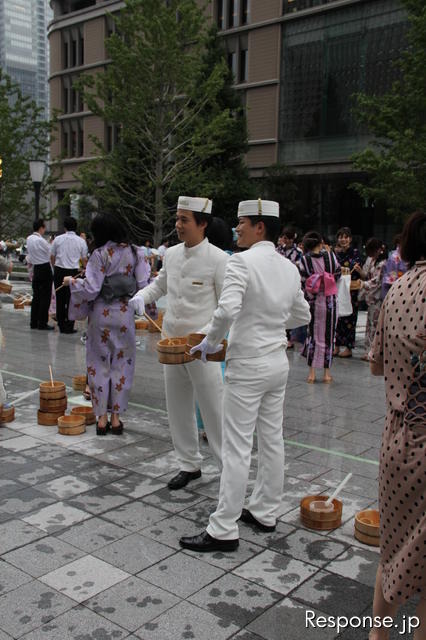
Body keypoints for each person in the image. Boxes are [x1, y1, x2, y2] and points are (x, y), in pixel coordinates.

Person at [179, 199, 311, 552]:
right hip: (276, 363)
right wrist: (270, 322)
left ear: (259, 227)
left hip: (248, 365)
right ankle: (265, 512)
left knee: (237, 446)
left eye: (241, 222)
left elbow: (227, 309)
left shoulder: (241, 262)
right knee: (272, 439)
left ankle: (223, 528)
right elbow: (302, 315)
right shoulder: (287, 267)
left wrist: (208, 343)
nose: (236, 228)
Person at [129, 196, 228, 490]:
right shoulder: (171, 254)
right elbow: (160, 285)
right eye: (177, 218)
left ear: (202, 223)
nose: (178, 225)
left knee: (214, 409)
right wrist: (141, 297)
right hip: (171, 343)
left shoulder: (219, 259)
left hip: (203, 347)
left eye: (184, 220)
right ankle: (189, 464)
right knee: (177, 406)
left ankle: (228, 470)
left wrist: (209, 337)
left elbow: (226, 306)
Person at [368, 210, 426, 640]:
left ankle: (377, 635)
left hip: (396, 437)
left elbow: (375, 366)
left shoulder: (398, 288)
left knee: (391, 548)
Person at [64, 214, 150, 435]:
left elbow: (92, 289)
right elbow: (144, 285)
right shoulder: (136, 252)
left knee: (98, 365)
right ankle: (116, 418)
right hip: (125, 315)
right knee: (122, 365)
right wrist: (149, 310)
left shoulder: (100, 254)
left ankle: (101, 419)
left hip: (101, 315)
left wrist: (73, 282)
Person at [298, 231, 340, 384]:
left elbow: (303, 283)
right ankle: (327, 373)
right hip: (330, 301)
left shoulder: (304, 260)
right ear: (320, 242)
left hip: (313, 301)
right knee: (329, 336)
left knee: (313, 335)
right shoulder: (330, 256)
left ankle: (312, 373)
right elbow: (338, 273)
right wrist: (326, 279)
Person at [51, 216, 88, 334]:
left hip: (60, 271)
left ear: (65, 227)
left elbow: (52, 256)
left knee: (60, 298)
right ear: (76, 227)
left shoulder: (57, 239)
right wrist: (85, 268)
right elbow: (84, 259)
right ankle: (70, 325)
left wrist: (55, 266)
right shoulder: (81, 241)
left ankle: (61, 324)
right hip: (73, 272)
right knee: (72, 299)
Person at [334, 226, 363, 357]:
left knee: (350, 318)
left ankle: (349, 347)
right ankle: (336, 345)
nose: (343, 239)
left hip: (351, 290)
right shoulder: (336, 254)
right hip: (338, 288)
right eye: (341, 237)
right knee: (337, 317)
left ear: (350, 239)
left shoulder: (355, 253)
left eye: (345, 237)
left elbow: (355, 268)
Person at [359, 238, 387, 361]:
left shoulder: (383, 263)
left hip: (377, 297)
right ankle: (369, 350)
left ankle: (373, 351)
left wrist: (363, 284)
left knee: (375, 326)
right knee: (370, 325)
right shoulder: (373, 261)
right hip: (371, 297)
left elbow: (377, 281)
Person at [26, 219, 54, 331]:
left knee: (36, 296)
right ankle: (42, 323)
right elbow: (50, 253)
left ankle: (33, 322)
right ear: (41, 228)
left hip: (36, 268)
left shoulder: (29, 239)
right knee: (45, 297)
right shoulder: (41, 241)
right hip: (44, 268)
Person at [381, 234, 408, 299]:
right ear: (399, 244)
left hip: (401, 286)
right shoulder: (394, 257)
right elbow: (391, 277)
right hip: (394, 289)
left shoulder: (402, 256)